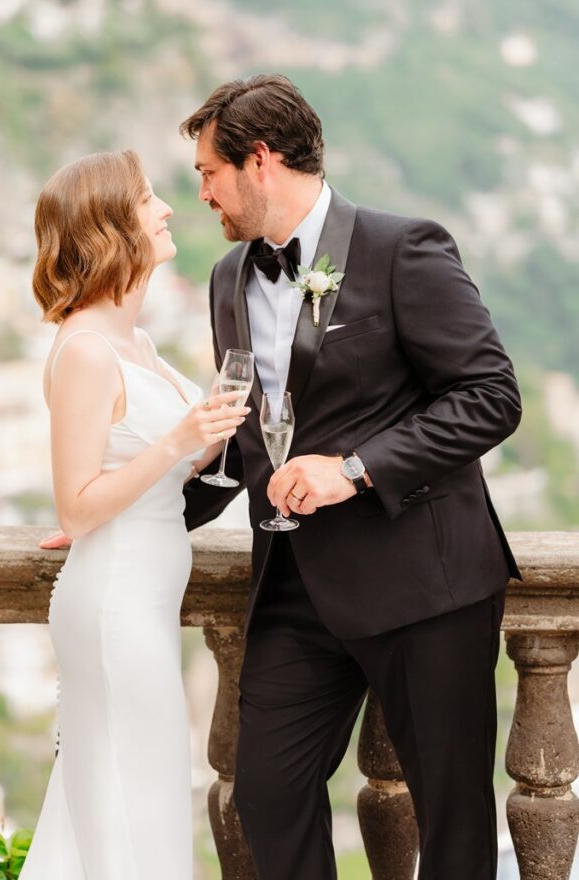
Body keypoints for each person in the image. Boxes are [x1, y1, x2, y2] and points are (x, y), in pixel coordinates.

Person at [181, 74, 523, 880]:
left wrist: (354, 470)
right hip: (294, 586)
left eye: (207, 172)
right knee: (263, 793)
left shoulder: (403, 248)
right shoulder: (227, 279)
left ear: (259, 161)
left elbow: (490, 396)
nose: (202, 192)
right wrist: (133, 511)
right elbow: (247, 439)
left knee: (452, 816)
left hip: (424, 583)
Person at [21, 150, 250, 880]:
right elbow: (77, 506)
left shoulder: (137, 343)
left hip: (142, 597)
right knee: (131, 803)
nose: (167, 210)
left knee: (131, 800)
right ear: (111, 226)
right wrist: (179, 440)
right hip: (115, 603)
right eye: (149, 200)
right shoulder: (86, 349)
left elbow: (138, 476)